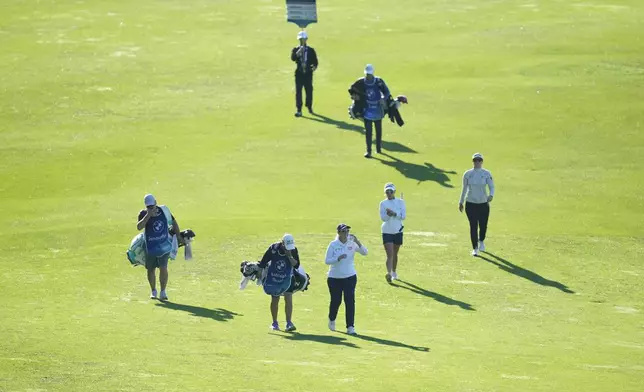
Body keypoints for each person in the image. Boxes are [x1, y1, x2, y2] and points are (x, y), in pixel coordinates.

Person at [136, 194, 182, 301]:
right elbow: (139, 227)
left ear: (156, 202)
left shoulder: (164, 210)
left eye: (152, 206)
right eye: (149, 207)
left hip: (164, 245)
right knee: (150, 269)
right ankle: (153, 291)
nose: (151, 208)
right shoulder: (143, 214)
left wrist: (178, 235)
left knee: (163, 268)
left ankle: (163, 292)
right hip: (150, 247)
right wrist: (148, 215)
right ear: (146, 206)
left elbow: (173, 222)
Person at [324, 223, 368, 335]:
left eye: (347, 231)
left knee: (349, 301)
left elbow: (365, 252)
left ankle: (350, 327)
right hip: (334, 278)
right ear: (339, 233)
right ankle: (332, 319)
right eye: (344, 231)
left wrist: (357, 241)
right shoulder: (333, 245)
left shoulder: (352, 243)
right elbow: (327, 260)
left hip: (350, 277)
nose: (346, 233)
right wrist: (337, 259)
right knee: (336, 301)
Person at [348, 64, 393, 158]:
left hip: (377, 109)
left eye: (369, 74)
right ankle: (368, 151)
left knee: (378, 130)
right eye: (367, 74)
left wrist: (383, 98)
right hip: (367, 109)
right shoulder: (361, 82)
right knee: (368, 131)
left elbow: (387, 92)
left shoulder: (378, 81)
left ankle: (378, 148)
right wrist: (354, 97)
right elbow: (352, 89)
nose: (368, 76)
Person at [258, 234, 301, 331]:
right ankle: (274, 323)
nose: (288, 248)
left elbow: (296, 265)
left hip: (288, 277)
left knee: (288, 298)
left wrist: (289, 255)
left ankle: (289, 323)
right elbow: (264, 261)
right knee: (275, 299)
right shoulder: (273, 248)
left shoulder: (293, 250)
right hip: (274, 276)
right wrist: (260, 274)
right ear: (282, 243)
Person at [459, 153, 495, 257]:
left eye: (479, 160)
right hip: (471, 204)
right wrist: (461, 202)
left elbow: (492, 186)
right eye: (475, 160)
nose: (477, 162)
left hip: (483, 203)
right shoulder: (468, 174)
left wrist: (491, 195)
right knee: (473, 226)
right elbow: (464, 188)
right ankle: (474, 248)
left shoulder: (486, 173)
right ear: (473, 161)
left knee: (483, 225)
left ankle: (481, 241)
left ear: (482, 161)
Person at [379, 183, 406, 283]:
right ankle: (389, 273)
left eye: (391, 191)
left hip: (398, 230)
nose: (389, 193)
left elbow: (403, 216)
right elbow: (383, 218)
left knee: (395, 253)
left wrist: (395, 214)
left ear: (394, 192)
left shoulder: (400, 202)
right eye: (387, 192)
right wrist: (389, 215)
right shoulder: (383, 203)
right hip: (387, 231)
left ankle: (394, 272)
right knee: (390, 254)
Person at [291, 31, 318, 117]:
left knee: (309, 91)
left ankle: (309, 106)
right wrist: (299, 52)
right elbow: (293, 58)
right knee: (298, 91)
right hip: (299, 74)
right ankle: (299, 109)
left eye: (303, 39)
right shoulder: (295, 49)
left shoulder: (311, 50)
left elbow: (315, 61)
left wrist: (314, 67)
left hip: (308, 74)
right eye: (300, 39)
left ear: (306, 39)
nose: (302, 41)